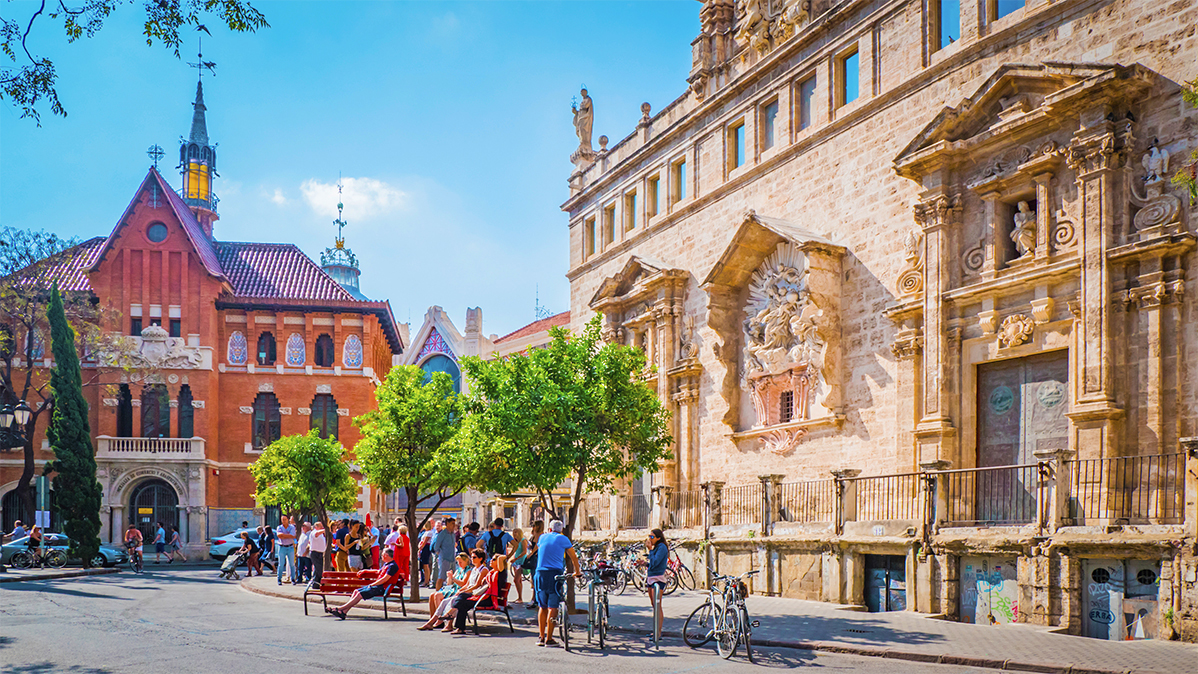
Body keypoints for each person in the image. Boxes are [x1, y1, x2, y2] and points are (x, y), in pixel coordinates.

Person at [535, 520, 581, 647]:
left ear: (549, 529)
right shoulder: (563, 539)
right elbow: (573, 557)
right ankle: (549, 638)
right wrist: (577, 571)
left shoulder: (542, 537)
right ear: (561, 530)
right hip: (554, 573)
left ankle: (541, 636)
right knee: (553, 607)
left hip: (540, 573)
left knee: (542, 606)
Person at [326, 548, 401, 620]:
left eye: (382, 555)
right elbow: (378, 572)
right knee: (356, 591)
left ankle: (339, 608)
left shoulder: (392, 566)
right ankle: (344, 612)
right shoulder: (387, 564)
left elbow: (385, 579)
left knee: (359, 594)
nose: (381, 556)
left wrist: (373, 584)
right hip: (378, 587)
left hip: (383, 588)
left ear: (386, 555)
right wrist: (366, 571)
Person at [448, 553, 508, 634]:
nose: (491, 560)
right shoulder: (491, 573)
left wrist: (505, 556)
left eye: (494, 559)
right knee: (462, 596)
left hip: (489, 599)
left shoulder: (501, 573)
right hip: (483, 596)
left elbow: (502, 557)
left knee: (463, 604)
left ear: (499, 562)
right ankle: (454, 617)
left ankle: (457, 624)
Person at [436, 549, 488, 632]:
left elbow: (477, 585)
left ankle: (449, 614)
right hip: (469, 593)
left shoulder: (484, 570)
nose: (472, 559)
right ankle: (457, 627)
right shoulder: (474, 569)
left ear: (480, 558)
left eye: (474, 557)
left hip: (477, 594)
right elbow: (467, 584)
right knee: (453, 602)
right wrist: (461, 590)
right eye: (472, 557)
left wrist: (464, 591)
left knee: (459, 598)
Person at [417, 552, 471, 630]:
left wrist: (453, 578)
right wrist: (449, 577)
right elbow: (450, 583)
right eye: (458, 562)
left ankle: (439, 620)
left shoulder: (468, 571)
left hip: (458, 590)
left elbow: (463, 583)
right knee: (432, 595)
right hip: (452, 588)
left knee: (437, 596)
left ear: (466, 561)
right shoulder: (458, 570)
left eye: (461, 562)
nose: (459, 564)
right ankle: (433, 619)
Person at [645, 528, 669, 641]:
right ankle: (655, 630)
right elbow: (652, 563)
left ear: (658, 538)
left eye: (652, 537)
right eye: (649, 536)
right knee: (654, 605)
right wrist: (645, 563)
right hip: (651, 577)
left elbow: (655, 562)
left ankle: (658, 633)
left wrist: (649, 550)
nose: (650, 539)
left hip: (658, 579)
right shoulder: (657, 548)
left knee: (657, 605)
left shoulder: (662, 548)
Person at [432, 518, 458, 591]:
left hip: (452, 558)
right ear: (447, 524)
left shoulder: (453, 534)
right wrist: (440, 555)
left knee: (452, 577)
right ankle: (437, 593)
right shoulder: (442, 534)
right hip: (444, 559)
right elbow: (436, 547)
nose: (454, 525)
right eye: (452, 523)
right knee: (442, 577)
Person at [523, 520, 544, 610]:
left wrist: (531, 554)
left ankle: (535, 600)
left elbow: (537, 546)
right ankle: (535, 599)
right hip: (534, 557)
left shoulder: (540, 535)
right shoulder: (534, 534)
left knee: (535, 579)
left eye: (534, 525)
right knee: (533, 579)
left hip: (536, 558)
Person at [507, 528, 528, 604]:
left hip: (521, 561)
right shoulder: (515, 541)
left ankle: (520, 597)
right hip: (516, 561)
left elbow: (524, 552)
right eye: (513, 532)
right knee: (518, 580)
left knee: (516, 579)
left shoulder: (523, 540)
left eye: (516, 532)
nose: (514, 534)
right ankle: (519, 597)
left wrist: (516, 559)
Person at [275, 515, 297, 585]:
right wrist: (288, 535)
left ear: (288, 519)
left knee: (292, 564)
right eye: (282, 519)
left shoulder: (292, 527)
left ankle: (293, 579)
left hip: (290, 547)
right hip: (282, 547)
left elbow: (293, 535)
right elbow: (279, 535)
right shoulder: (279, 527)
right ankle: (279, 579)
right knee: (281, 564)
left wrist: (283, 535)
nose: (283, 521)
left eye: (285, 519)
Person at [308, 521, 328, 587]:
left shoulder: (321, 534)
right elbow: (316, 534)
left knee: (318, 569)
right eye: (320, 526)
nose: (322, 528)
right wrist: (325, 530)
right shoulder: (314, 532)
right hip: (315, 553)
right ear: (316, 527)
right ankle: (316, 583)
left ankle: (316, 583)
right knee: (319, 569)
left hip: (320, 553)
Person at [417, 520, 436, 587]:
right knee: (424, 565)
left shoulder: (429, 533)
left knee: (426, 565)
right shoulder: (426, 532)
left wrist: (420, 547)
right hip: (424, 548)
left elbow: (424, 542)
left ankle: (426, 581)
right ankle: (425, 580)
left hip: (425, 548)